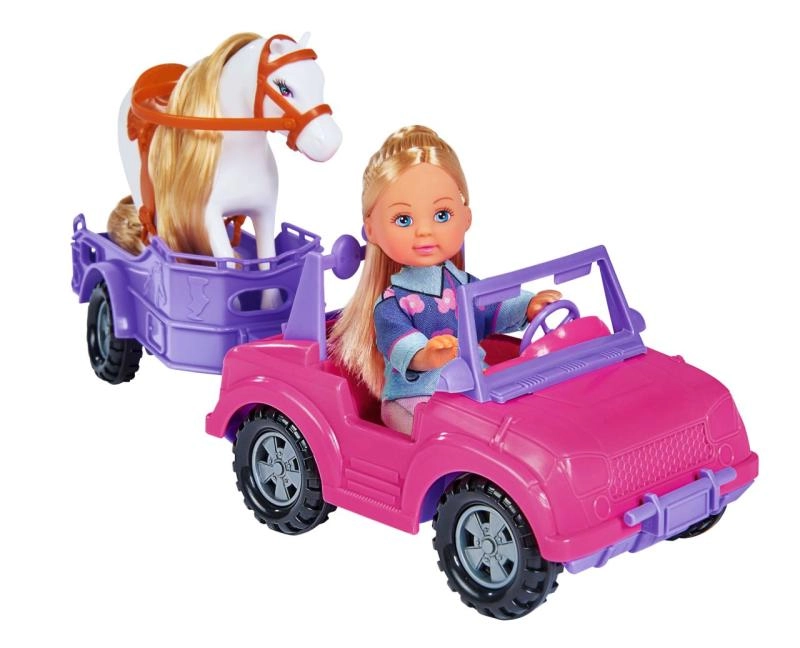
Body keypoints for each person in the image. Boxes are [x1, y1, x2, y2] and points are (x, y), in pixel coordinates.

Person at [329, 126, 560, 434]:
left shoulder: (460, 283)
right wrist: (427, 355)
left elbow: (492, 305)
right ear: (372, 230)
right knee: (464, 435)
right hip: (414, 398)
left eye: (441, 215)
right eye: (403, 220)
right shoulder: (392, 304)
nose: (424, 231)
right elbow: (402, 345)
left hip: (472, 387)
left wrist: (528, 306)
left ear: (466, 217)